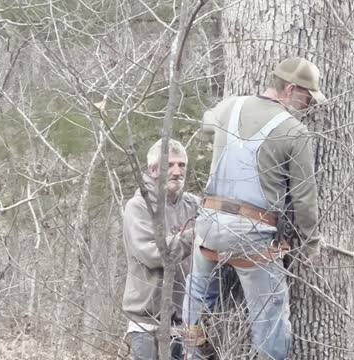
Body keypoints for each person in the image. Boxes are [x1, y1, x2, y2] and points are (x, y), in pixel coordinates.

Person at [182, 57, 326, 359]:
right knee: (269, 319)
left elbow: (205, 123)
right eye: (307, 96)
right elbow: (304, 198)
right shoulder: (294, 131)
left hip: (209, 226)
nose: (310, 104)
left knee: (196, 303)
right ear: (289, 89)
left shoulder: (230, 107)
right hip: (252, 236)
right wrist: (309, 245)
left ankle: (191, 347)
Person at [122, 139, 200, 360]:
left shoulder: (194, 205)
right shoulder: (139, 206)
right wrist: (194, 234)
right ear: (153, 169)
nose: (177, 172)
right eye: (170, 165)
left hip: (184, 322)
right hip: (147, 322)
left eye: (182, 165)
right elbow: (153, 254)